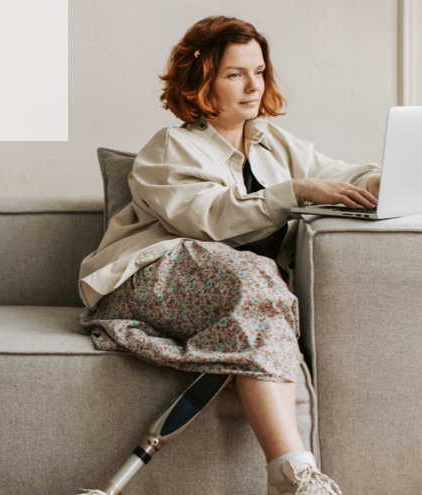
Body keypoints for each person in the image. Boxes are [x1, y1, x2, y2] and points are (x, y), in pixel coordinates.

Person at [79, 15, 381, 495]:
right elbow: (211, 220)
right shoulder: (168, 147)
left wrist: (374, 182)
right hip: (150, 277)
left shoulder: (272, 141)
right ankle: (293, 473)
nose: (253, 86)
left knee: (260, 295)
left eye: (258, 71)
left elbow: (339, 171)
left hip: (244, 288)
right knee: (259, 280)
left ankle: (292, 472)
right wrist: (295, 191)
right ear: (203, 81)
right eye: (235, 74)